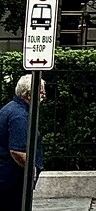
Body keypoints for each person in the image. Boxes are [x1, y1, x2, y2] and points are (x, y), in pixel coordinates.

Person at [0, 75, 44, 204]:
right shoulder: (20, 116)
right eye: (41, 92)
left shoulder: (11, 108)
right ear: (29, 94)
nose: (43, 96)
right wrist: (32, 169)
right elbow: (17, 151)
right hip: (11, 179)